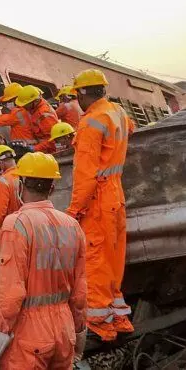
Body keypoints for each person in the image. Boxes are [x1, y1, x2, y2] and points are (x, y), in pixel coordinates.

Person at [0, 152, 87, 369]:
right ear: (52, 187)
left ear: (21, 185)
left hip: (30, 336)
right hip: (64, 332)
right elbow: (80, 293)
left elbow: (10, 297)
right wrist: (79, 340)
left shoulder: (17, 225)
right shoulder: (72, 226)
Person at [66, 69, 135, 341]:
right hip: (116, 194)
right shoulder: (117, 112)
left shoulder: (91, 122)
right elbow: (130, 128)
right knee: (114, 259)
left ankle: (99, 326)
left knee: (95, 261)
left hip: (98, 198)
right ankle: (119, 318)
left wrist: (73, 211)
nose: (76, 102)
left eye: (76, 96)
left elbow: (85, 175)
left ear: (84, 93)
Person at [15, 85, 59, 153]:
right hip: (44, 149)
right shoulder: (35, 109)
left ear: (35, 101)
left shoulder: (44, 116)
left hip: (51, 152)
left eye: (26, 104)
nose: (23, 107)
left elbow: (53, 140)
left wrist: (34, 148)